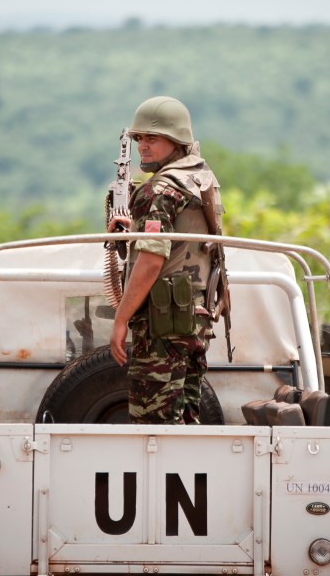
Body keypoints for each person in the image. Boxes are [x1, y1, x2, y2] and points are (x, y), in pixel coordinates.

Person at [108, 96, 223, 424]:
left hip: (163, 324)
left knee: (154, 430)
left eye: (153, 138)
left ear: (177, 139)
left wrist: (120, 320)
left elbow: (150, 262)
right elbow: (182, 238)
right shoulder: (199, 178)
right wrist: (136, 228)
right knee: (185, 423)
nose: (143, 146)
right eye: (140, 138)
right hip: (194, 320)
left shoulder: (157, 190)